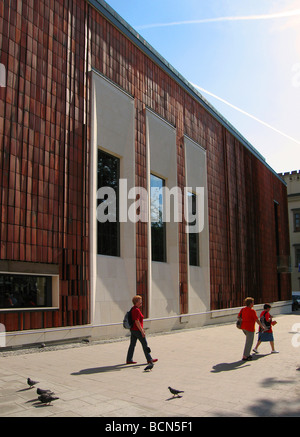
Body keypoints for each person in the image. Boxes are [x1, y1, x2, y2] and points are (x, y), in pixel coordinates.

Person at [126, 295, 158, 365]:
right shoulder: (136, 310)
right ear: (136, 302)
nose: (141, 303)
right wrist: (142, 331)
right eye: (140, 301)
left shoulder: (133, 308)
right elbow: (137, 321)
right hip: (137, 330)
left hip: (133, 330)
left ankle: (129, 359)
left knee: (132, 345)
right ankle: (149, 359)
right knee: (145, 344)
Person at [237, 297, 266, 361]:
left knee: (248, 340)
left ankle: (247, 354)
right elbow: (257, 320)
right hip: (250, 328)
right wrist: (262, 326)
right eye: (253, 302)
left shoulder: (243, 309)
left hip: (243, 327)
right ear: (250, 303)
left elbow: (238, 316)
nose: (253, 304)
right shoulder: (252, 311)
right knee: (249, 342)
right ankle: (245, 356)